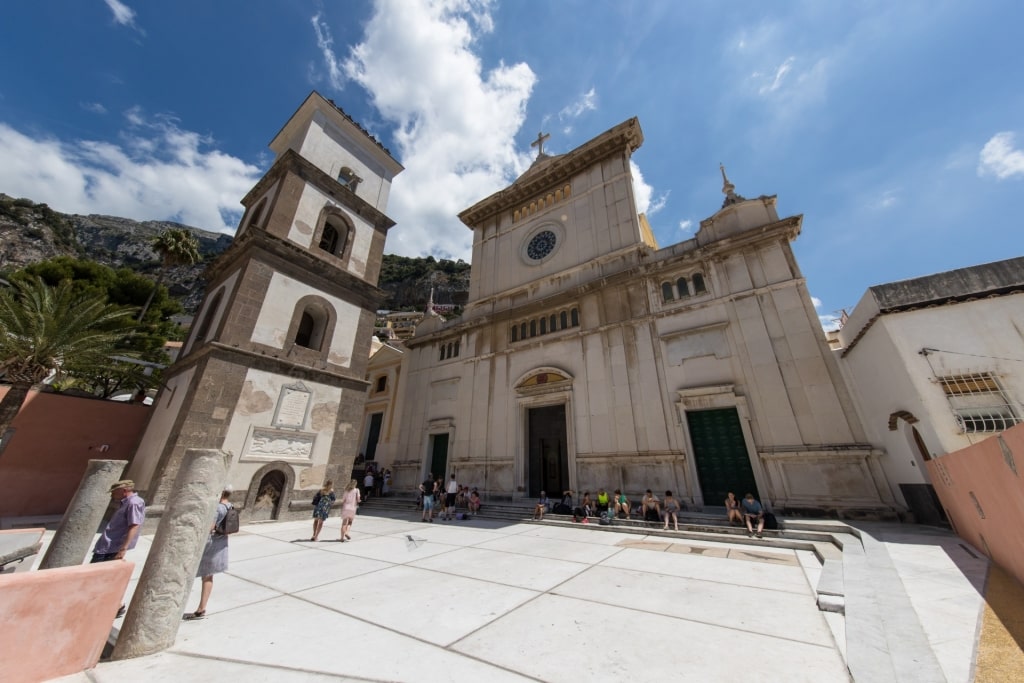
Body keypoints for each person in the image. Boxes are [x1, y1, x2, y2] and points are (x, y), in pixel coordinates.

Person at [91, 479, 146, 618]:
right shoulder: (126, 503)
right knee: (101, 576)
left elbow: (134, 525)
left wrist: (123, 548)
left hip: (114, 546)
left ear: (124, 490)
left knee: (99, 576)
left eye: (114, 492)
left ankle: (116, 605)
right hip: (108, 545)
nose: (112, 495)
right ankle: (114, 605)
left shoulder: (134, 502)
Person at [184, 488, 233, 620]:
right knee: (208, 576)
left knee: (191, 572)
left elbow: (210, 527)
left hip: (209, 544)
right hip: (221, 544)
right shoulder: (230, 506)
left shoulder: (217, 508)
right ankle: (202, 607)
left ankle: (197, 607)